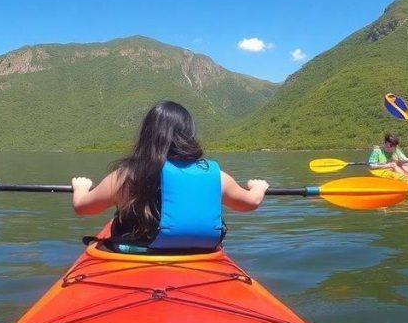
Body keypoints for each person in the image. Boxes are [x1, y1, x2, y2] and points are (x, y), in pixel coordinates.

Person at [71, 100, 269, 253]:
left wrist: (80, 188)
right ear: (188, 134)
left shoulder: (127, 176)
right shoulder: (216, 175)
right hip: (199, 254)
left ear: (147, 134)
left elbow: (82, 207)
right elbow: (249, 203)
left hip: (139, 253)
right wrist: (258, 187)